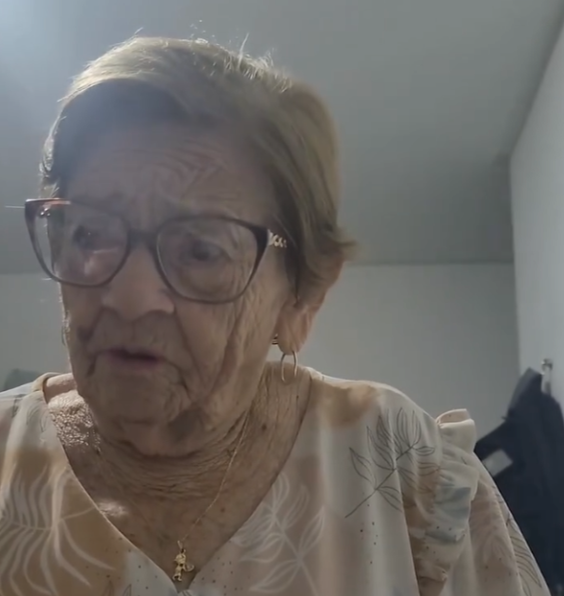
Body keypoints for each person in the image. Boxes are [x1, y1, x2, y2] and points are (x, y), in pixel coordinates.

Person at [0, 36, 549, 596]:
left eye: (201, 251)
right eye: (90, 233)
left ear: (300, 299)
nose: (130, 297)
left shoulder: (404, 467)